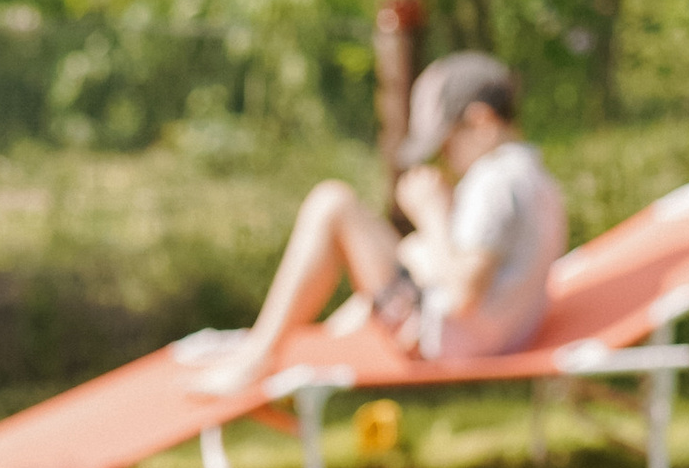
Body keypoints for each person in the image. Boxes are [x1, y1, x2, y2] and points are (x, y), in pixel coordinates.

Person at [196, 51, 567, 406]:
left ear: (482, 121)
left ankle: (260, 353)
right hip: (502, 338)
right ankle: (299, 336)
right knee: (414, 250)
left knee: (332, 203)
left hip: (444, 343)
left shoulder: (492, 181)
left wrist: (432, 214)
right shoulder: (537, 179)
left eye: (447, 143)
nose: (446, 159)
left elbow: (462, 296)